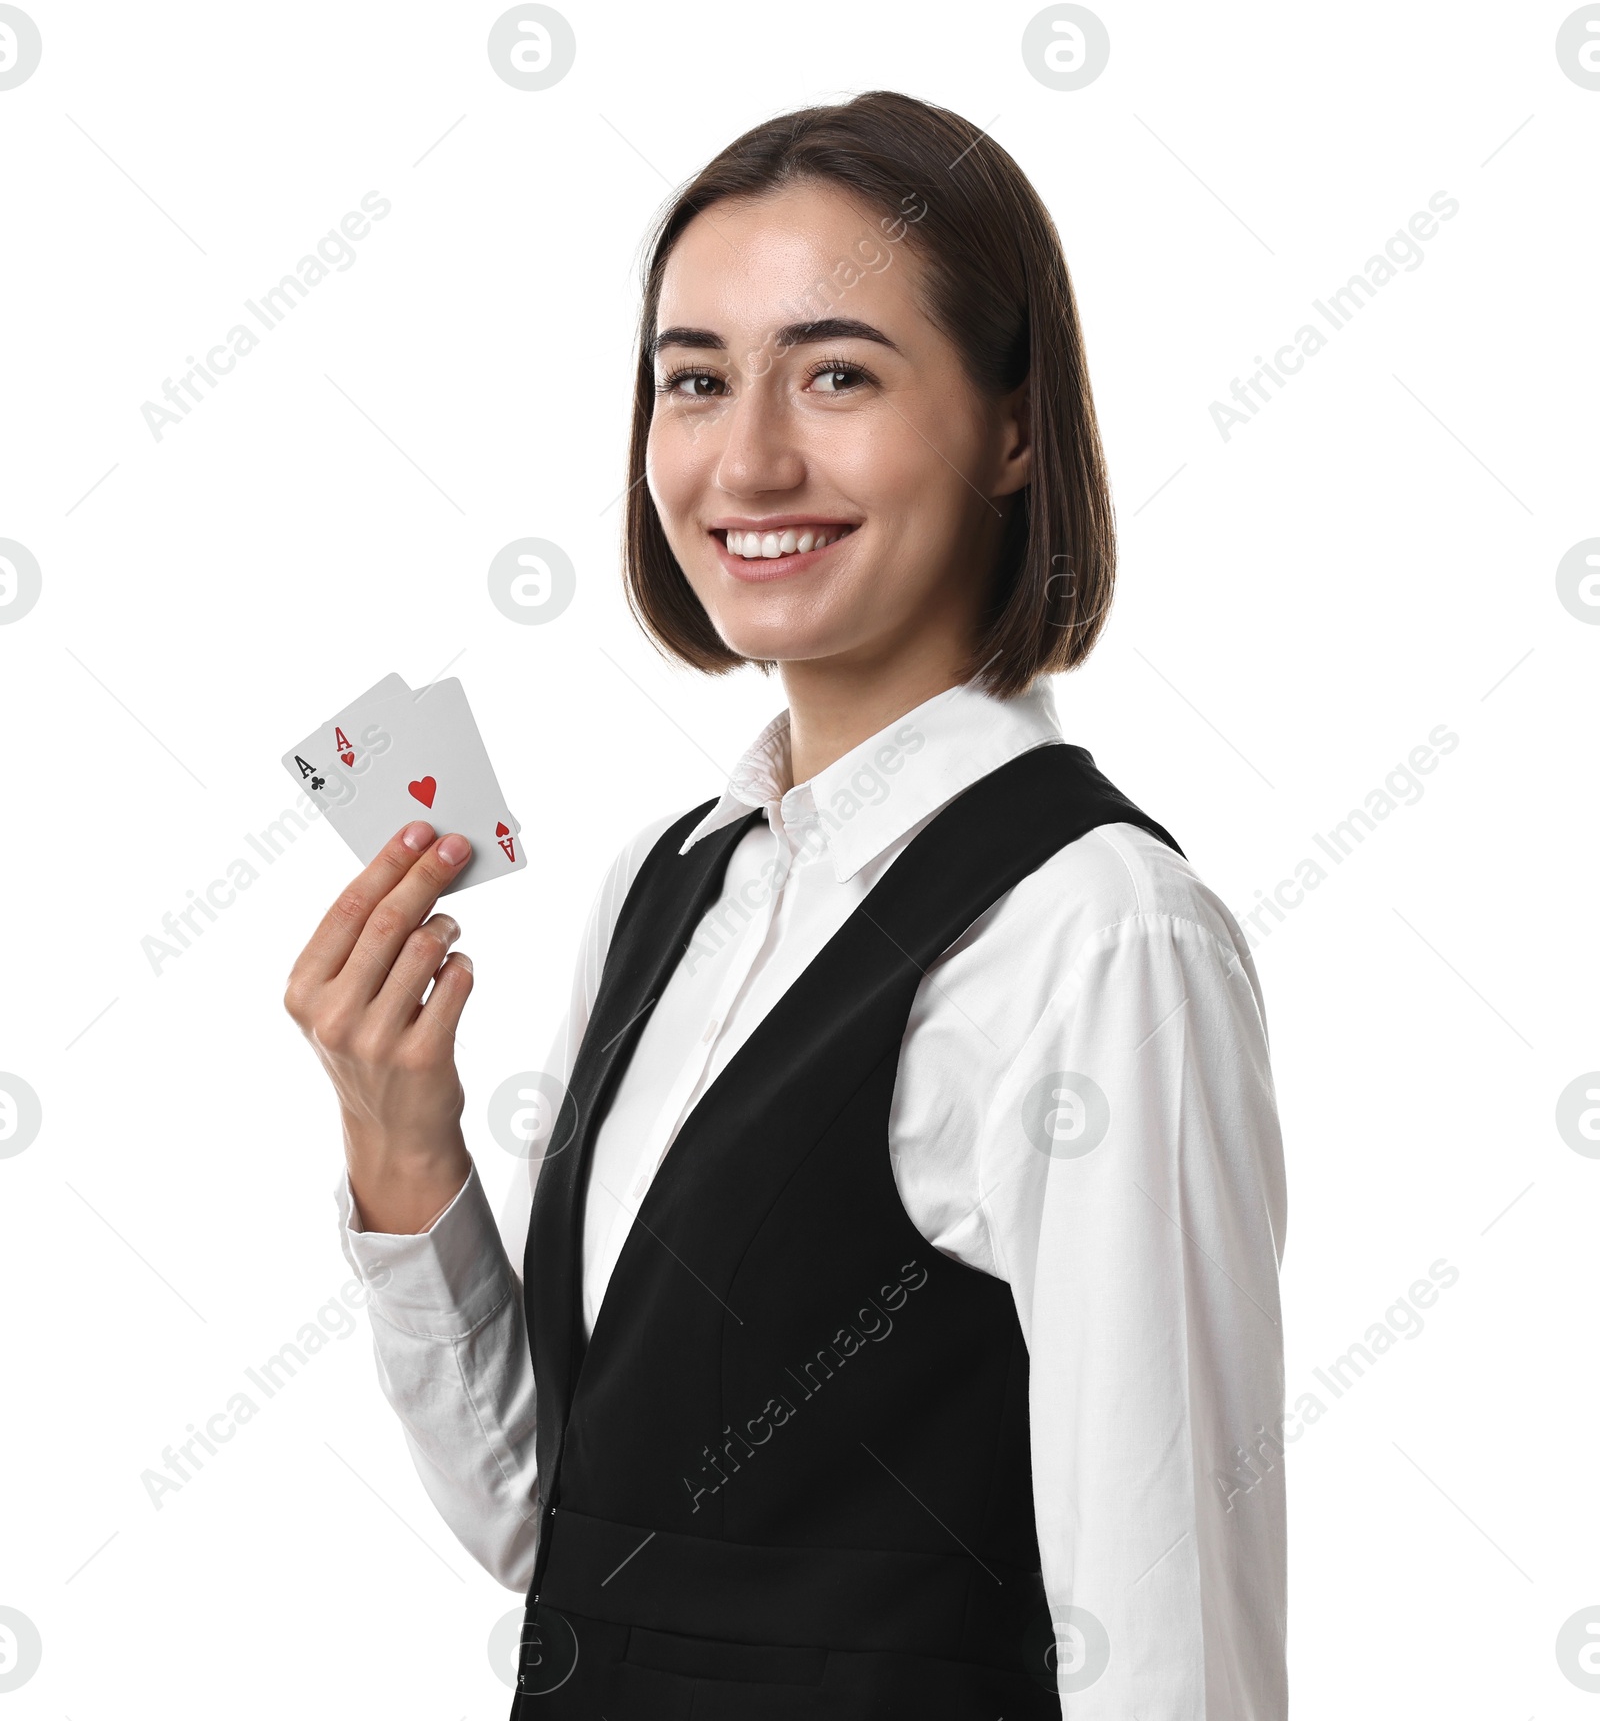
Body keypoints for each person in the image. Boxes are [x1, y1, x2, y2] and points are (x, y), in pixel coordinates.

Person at [284, 90, 1288, 1719]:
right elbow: (559, 1540)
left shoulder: (1097, 933)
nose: (746, 457)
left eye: (836, 374)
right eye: (696, 381)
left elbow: (1163, 1627)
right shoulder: (669, 884)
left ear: (1016, 429)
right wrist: (404, 1152)